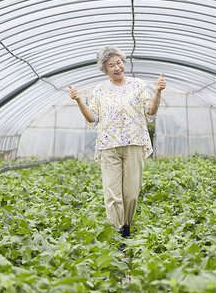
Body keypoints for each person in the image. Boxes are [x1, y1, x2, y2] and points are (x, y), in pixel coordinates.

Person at [68, 46, 166, 245]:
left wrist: (158, 92)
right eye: (111, 65)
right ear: (105, 70)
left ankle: (126, 226)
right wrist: (79, 101)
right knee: (112, 193)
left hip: (134, 144)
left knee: (131, 193)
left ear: (123, 62)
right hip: (108, 146)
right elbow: (92, 118)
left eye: (118, 62)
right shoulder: (100, 90)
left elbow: (151, 111)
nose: (116, 67)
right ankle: (119, 233)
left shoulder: (138, 85)